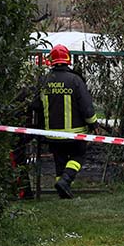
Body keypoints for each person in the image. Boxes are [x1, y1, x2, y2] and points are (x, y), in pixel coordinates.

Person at [31, 44, 98, 199]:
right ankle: (66, 180)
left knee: (59, 162)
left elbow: (35, 105)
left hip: (52, 134)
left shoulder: (44, 81)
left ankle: (63, 191)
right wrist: (94, 124)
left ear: (51, 61)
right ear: (67, 60)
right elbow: (86, 106)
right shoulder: (75, 80)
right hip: (75, 134)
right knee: (78, 156)